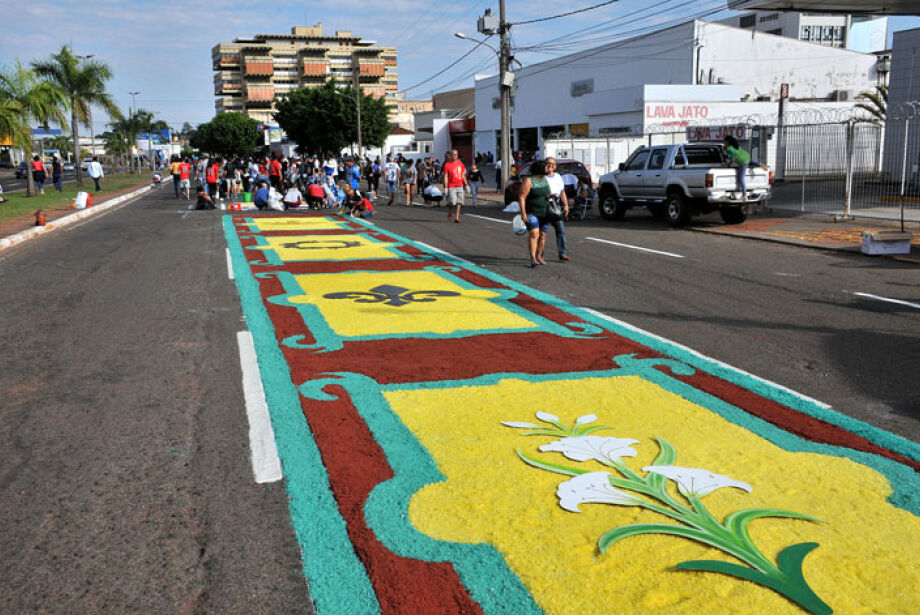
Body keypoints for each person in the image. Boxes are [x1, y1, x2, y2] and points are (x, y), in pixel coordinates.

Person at [518, 160, 551, 268]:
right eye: (546, 167)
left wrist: (551, 197)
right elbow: (522, 197)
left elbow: (547, 194)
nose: (548, 169)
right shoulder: (529, 181)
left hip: (545, 212)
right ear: (540, 168)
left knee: (543, 235)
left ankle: (539, 256)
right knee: (534, 234)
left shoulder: (544, 179)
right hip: (532, 212)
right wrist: (523, 213)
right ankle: (533, 258)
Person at [543, 157, 570, 262]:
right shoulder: (541, 177)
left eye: (552, 164)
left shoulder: (558, 176)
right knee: (542, 232)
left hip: (556, 206)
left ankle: (562, 253)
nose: (550, 166)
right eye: (548, 164)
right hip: (545, 205)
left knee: (561, 231)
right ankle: (539, 254)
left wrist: (566, 205)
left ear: (555, 166)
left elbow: (562, 192)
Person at [442, 149, 468, 223]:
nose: (455, 156)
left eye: (456, 155)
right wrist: (446, 187)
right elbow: (446, 176)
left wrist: (466, 184)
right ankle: (450, 211)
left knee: (459, 201)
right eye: (453, 154)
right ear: (450, 156)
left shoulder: (460, 164)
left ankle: (457, 217)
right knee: (453, 202)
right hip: (451, 186)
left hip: (460, 185)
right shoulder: (447, 165)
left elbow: (462, 174)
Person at [724, 136, 752, 200]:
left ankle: (745, 195)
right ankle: (760, 164)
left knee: (741, 178)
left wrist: (728, 165)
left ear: (727, 142)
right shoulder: (735, 146)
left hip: (742, 162)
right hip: (747, 157)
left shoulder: (729, 149)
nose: (724, 143)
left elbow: (733, 160)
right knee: (751, 162)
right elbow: (736, 152)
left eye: (725, 142)